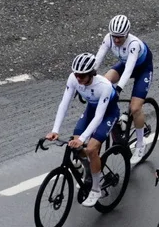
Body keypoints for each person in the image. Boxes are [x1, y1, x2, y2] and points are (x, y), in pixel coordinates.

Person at [46, 52, 120, 206]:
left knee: (92, 149)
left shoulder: (103, 86)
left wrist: (83, 139)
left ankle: (96, 188)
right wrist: (55, 130)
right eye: (76, 74)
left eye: (82, 76)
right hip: (91, 110)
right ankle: (91, 171)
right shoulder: (73, 78)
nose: (78, 78)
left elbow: (99, 116)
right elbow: (64, 104)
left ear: (92, 73)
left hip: (108, 114)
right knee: (76, 146)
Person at [93, 14, 153, 158]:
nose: (117, 40)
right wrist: (89, 78)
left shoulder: (134, 44)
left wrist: (118, 89)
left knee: (135, 107)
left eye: (120, 37)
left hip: (142, 70)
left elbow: (129, 69)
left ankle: (140, 144)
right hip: (125, 64)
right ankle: (119, 122)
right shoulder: (109, 38)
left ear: (127, 34)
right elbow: (97, 60)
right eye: (114, 36)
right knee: (104, 84)